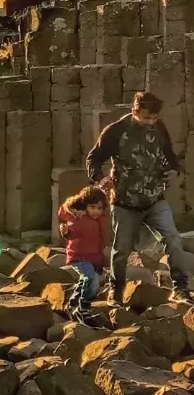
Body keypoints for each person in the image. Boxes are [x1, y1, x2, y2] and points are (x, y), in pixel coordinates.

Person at [86, 90, 189, 304]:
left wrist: (174, 169)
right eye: (145, 117)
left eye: (154, 117)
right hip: (125, 202)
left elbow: (168, 152)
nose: (150, 122)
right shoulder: (116, 131)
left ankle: (180, 289)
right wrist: (99, 178)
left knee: (173, 239)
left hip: (155, 199)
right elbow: (94, 157)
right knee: (121, 249)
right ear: (134, 111)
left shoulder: (158, 127)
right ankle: (116, 291)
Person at [58, 186, 109, 323]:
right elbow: (66, 216)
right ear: (85, 205)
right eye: (92, 207)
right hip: (78, 256)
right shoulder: (78, 216)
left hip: (94, 258)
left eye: (99, 208)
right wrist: (65, 232)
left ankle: (72, 304)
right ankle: (83, 309)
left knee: (85, 281)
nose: (96, 211)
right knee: (92, 281)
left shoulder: (100, 219)